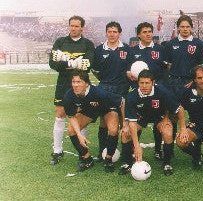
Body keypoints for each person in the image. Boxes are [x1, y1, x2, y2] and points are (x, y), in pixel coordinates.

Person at [120, 70, 188, 176]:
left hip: (159, 117)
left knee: (168, 132)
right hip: (140, 118)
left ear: (153, 82)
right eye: (141, 83)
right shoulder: (132, 96)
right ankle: (128, 163)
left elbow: (180, 109)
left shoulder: (162, 91)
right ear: (138, 83)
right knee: (125, 133)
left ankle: (166, 163)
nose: (144, 86)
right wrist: (136, 145)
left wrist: (183, 128)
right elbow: (132, 123)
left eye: (147, 83)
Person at [49, 15, 95, 165]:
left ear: (82, 27)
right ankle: (57, 150)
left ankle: (83, 152)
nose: (73, 28)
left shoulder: (88, 44)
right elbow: (53, 64)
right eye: (71, 26)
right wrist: (75, 63)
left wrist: (65, 60)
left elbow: (87, 65)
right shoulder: (60, 42)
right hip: (63, 83)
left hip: (82, 85)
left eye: (76, 26)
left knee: (80, 116)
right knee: (60, 114)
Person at [63, 70, 124, 172]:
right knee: (71, 130)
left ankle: (108, 159)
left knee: (113, 130)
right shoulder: (69, 96)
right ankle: (87, 160)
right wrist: (79, 134)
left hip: (107, 109)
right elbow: (72, 117)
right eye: (73, 82)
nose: (75, 85)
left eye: (79, 82)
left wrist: (125, 123)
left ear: (86, 83)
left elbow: (122, 101)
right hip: (89, 110)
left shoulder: (99, 93)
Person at [126, 22, 167, 160]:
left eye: (150, 31)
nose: (148, 34)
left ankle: (158, 149)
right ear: (138, 35)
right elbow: (127, 70)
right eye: (144, 32)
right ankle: (133, 148)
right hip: (139, 90)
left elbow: (166, 68)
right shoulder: (132, 51)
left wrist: (159, 85)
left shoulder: (161, 49)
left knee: (158, 119)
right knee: (137, 118)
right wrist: (129, 74)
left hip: (156, 90)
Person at [92, 21, 131, 161]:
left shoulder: (126, 49)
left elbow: (129, 70)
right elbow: (96, 71)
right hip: (105, 88)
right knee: (104, 121)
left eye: (115, 31)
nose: (112, 34)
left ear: (120, 33)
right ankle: (102, 152)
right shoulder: (99, 50)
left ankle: (126, 155)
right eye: (109, 31)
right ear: (106, 33)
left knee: (123, 121)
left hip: (122, 88)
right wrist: (105, 82)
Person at [164, 15, 203, 98]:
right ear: (178, 28)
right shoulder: (171, 44)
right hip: (174, 82)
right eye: (182, 27)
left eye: (187, 26)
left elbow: (200, 66)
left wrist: (194, 81)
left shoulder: (198, 43)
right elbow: (168, 66)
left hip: (191, 82)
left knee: (192, 109)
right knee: (175, 109)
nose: (185, 29)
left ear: (191, 28)